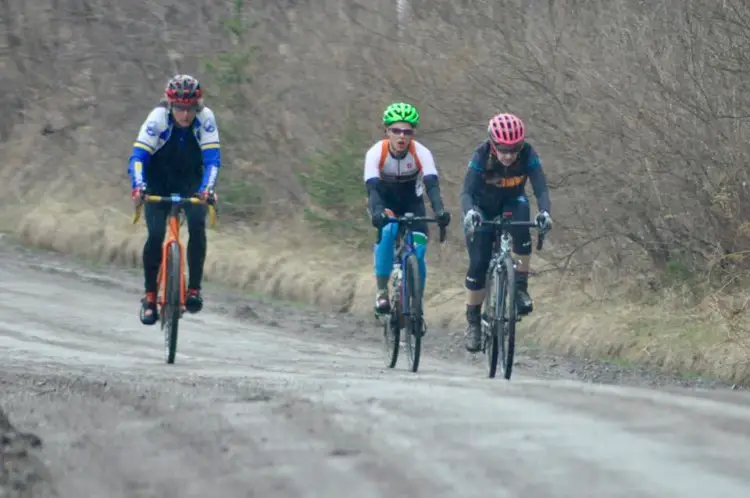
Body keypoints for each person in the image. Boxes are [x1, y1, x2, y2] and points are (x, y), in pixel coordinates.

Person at [127, 74, 221, 325]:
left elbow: (212, 160)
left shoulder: (205, 118)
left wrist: (208, 189)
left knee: (198, 226)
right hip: (157, 181)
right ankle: (149, 297)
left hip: (191, 182)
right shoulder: (157, 119)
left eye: (190, 108)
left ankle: (194, 290)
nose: (185, 115)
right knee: (156, 235)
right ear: (170, 105)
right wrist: (139, 186)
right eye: (180, 108)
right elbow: (137, 157)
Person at [460, 113, 552, 353]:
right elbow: (466, 192)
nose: (509, 155)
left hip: (513, 202)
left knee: (523, 227)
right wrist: (469, 212)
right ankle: (473, 322)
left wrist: (545, 212)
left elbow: (541, 187)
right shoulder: (481, 155)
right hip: (482, 207)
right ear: (492, 143)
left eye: (514, 149)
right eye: (503, 149)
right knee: (478, 263)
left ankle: (520, 287)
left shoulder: (528, 154)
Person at [364, 102, 451, 315]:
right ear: (387, 131)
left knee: (418, 250)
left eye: (407, 131)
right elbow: (373, 189)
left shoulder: (421, 153)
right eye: (396, 131)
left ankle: (416, 305)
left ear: (413, 133)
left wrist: (439, 211)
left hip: (413, 202)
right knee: (387, 232)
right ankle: (382, 291)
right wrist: (377, 212)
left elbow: (432, 185)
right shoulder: (376, 152)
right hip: (384, 202)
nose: (401, 137)